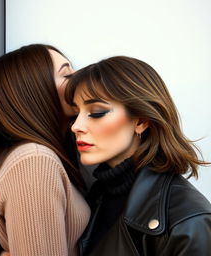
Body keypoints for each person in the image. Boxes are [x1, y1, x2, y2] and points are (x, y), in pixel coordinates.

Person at [65, 56, 211, 255]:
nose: (76, 126)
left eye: (96, 112)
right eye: (75, 114)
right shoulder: (97, 194)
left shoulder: (188, 222)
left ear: (141, 121)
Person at [0, 44, 91, 256]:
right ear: (35, 92)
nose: (79, 79)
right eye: (67, 74)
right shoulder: (34, 163)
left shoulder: (40, 157)